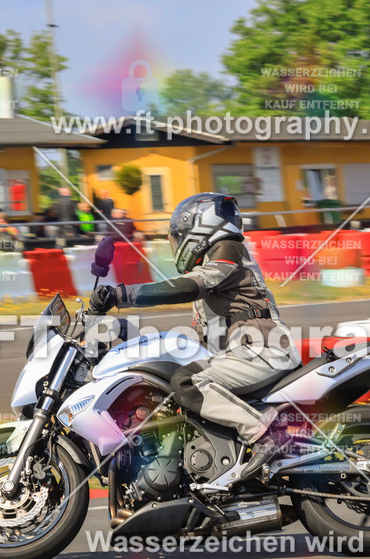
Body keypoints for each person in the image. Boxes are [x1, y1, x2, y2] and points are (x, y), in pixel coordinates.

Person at [88, 193, 301, 481]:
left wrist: (122, 295)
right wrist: (126, 338)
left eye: (178, 235)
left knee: (187, 382)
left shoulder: (228, 250)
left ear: (200, 227)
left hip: (264, 349)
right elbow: (194, 343)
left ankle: (265, 435)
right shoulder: (210, 278)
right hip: (243, 355)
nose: (176, 243)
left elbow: (186, 287)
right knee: (172, 388)